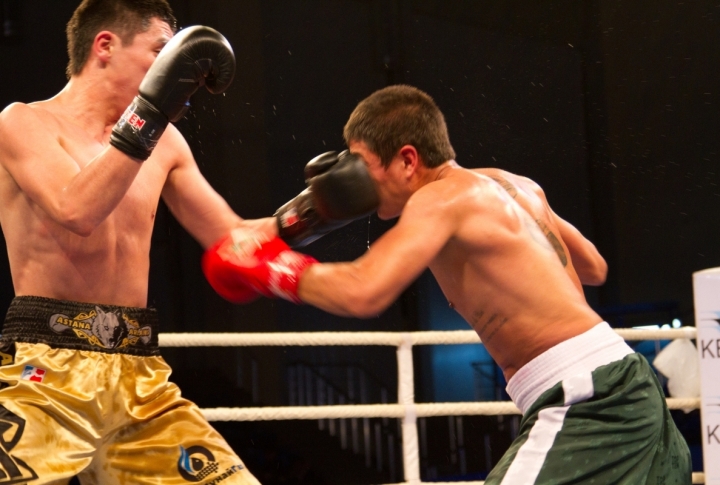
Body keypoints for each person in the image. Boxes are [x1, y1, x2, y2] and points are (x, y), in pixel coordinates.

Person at [202, 85, 693, 484]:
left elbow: (363, 290)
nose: (357, 181)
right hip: (618, 379)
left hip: (586, 398)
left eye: (361, 162)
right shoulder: (513, 184)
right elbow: (594, 267)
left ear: (408, 159)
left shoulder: (438, 200)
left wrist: (269, 269)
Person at [0, 0, 271, 482]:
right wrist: (149, 113)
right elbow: (76, 210)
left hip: (140, 376)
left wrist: (314, 213)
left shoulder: (164, 143)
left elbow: (233, 238)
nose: (175, 72)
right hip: (46, 371)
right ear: (105, 45)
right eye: (162, 53)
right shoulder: (25, 123)